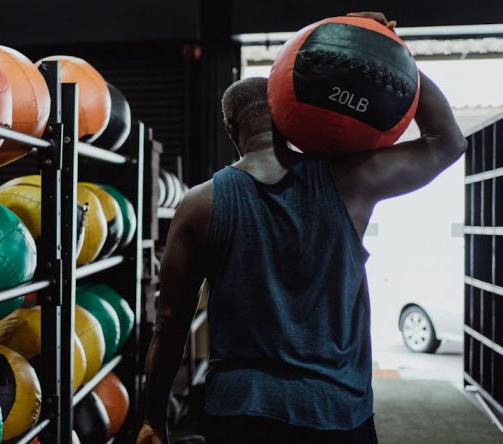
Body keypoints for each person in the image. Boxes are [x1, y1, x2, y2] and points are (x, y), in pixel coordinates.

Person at [137, 12, 467, 444]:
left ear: (231, 131)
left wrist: (152, 420)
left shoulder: (199, 203)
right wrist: (384, 51)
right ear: (289, 115)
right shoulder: (351, 182)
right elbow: (449, 142)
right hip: (336, 412)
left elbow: (169, 324)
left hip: (240, 411)